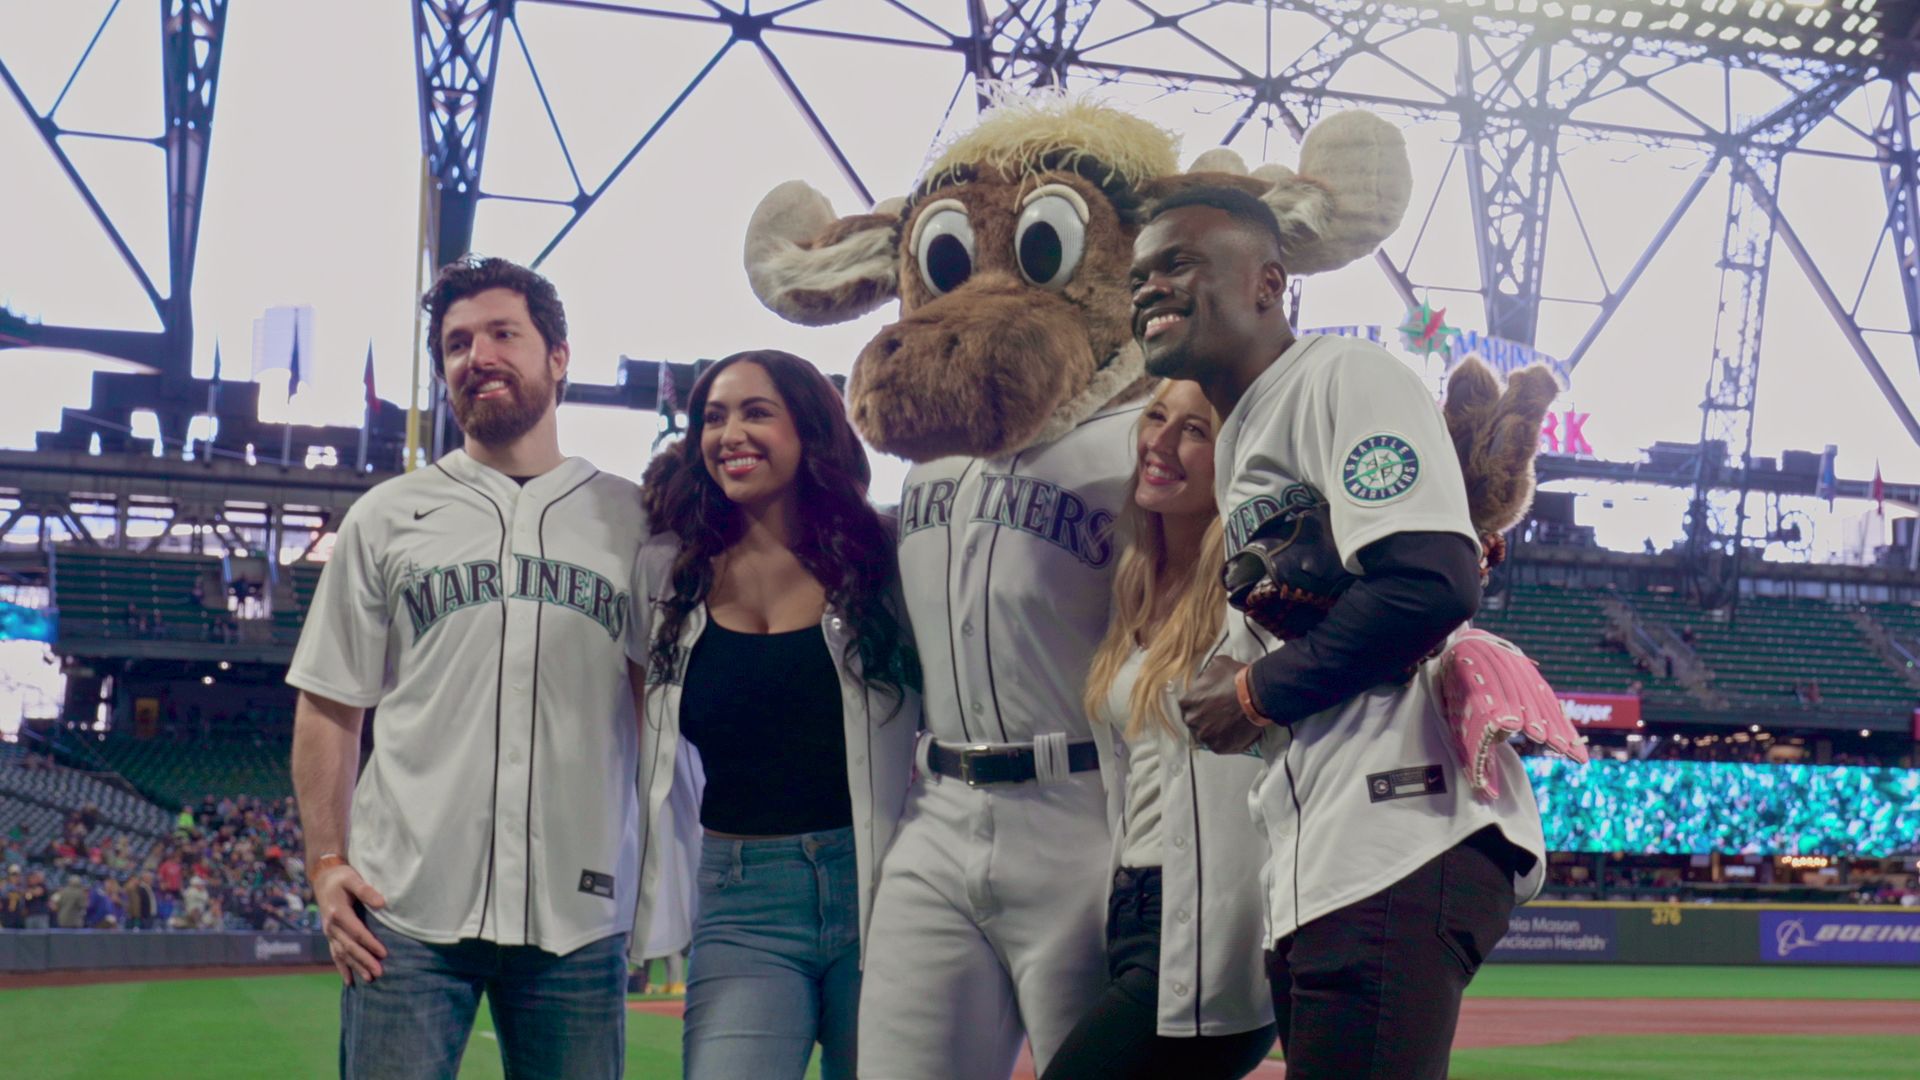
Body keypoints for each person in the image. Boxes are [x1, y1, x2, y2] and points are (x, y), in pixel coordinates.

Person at [1129, 185, 1547, 1079]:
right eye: (1140, 274)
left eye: (1180, 263)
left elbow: (1433, 583)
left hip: (1398, 835)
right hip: (1328, 852)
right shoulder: (1247, 434)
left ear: (1267, 284)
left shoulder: (1341, 377)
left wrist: (1253, 693)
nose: (1150, 287)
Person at [288, 255, 649, 1079]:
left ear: (559, 357)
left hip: (579, 916)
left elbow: (658, 708)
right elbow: (330, 706)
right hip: (403, 913)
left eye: (501, 334)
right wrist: (325, 862)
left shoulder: (631, 519)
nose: (476, 355)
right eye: (455, 343)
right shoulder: (386, 516)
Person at [630, 350, 919, 1080]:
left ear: (810, 429)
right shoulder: (664, 573)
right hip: (741, 897)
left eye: (757, 412)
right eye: (714, 417)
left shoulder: (885, 555)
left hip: (886, 886)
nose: (730, 433)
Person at [1043, 381, 1276, 1080]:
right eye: (1155, 418)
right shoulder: (1135, 581)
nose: (1162, 443)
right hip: (1130, 907)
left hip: (1208, 922)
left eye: (1195, 431)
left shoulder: (1252, 589)